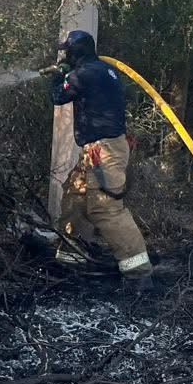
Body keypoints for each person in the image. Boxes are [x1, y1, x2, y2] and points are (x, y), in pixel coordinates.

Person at [49, 29, 154, 286]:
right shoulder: (103, 70)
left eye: (67, 52)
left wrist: (58, 76)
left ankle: (139, 273)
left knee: (106, 209)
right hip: (98, 150)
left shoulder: (83, 74)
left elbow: (58, 96)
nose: (65, 56)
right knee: (75, 199)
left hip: (104, 152)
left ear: (76, 52)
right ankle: (73, 258)